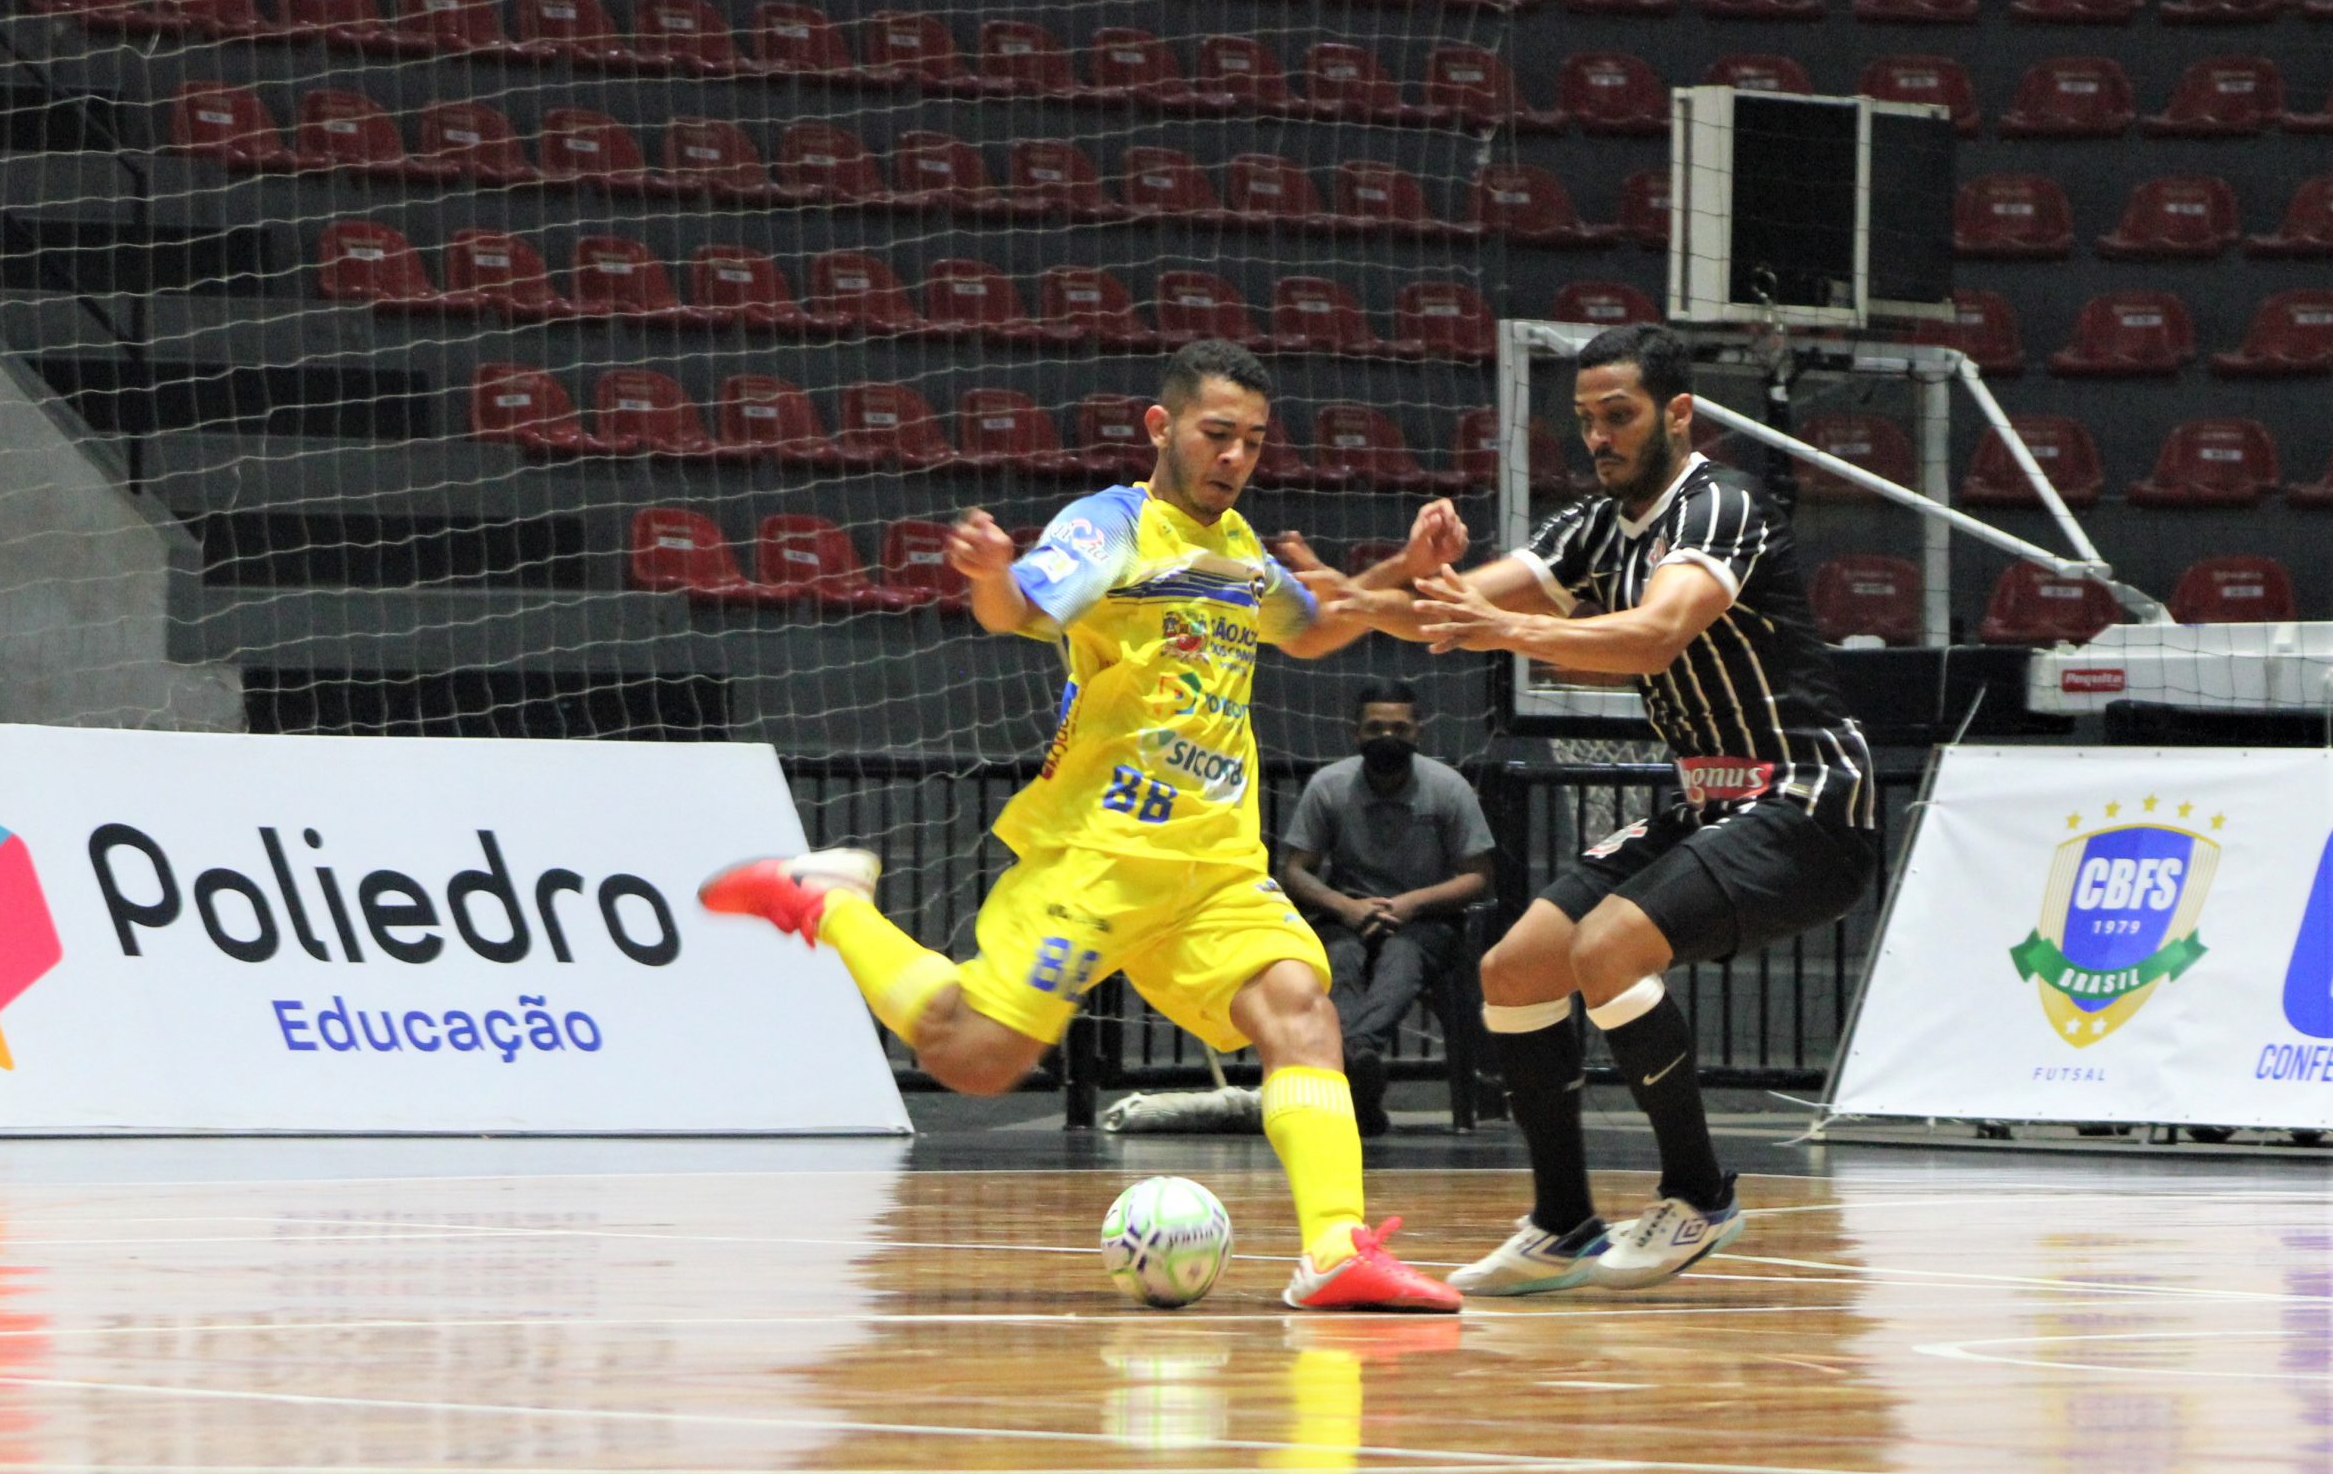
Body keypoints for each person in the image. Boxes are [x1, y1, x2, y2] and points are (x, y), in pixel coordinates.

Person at [699, 341, 1462, 1313]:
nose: (1233, 457)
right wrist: (987, 572)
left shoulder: (1236, 545)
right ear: (1162, 426)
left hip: (1213, 868)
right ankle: (829, 903)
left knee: (1299, 1010)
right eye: (1215, 434)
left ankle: (1333, 1250)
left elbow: (1309, 623)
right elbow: (1016, 604)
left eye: (1252, 442)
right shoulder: (1111, 527)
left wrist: (1404, 567)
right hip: (1100, 856)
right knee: (972, 1059)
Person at [1334, 322, 1878, 1295]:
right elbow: (1439, 608)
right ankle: (1562, 1225)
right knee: (1513, 967)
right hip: (1706, 798)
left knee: (1608, 947)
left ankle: (1698, 1196)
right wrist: (1353, 586)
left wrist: (1502, 626)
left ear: (1677, 414)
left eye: (1618, 415)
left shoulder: (1719, 505)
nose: (1598, 437)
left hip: (1806, 796)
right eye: (1585, 420)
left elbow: (1659, 632)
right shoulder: (1591, 525)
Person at [1276, 679, 1493, 1136]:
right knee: (1339, 960)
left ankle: (1356, 1051)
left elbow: (1478, 875)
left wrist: (1412, 904)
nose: (1387, 737)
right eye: (1375, 727)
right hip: (1345, 917)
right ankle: (1362, 1069)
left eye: (1398, 727)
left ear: (1418, 731)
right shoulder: (1329, 786)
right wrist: (1343, 906)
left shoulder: (1448, 788)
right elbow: (1294, 870)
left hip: (1427, 922)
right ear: (1355, 733)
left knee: (1402, 958)